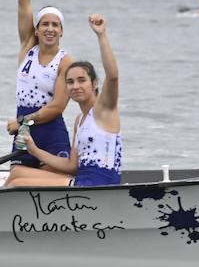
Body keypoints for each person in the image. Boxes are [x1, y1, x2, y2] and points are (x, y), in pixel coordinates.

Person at [7, 15, 121, 187]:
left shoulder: (104, 110)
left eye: (82, 80)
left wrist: (101, 35)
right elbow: (71, 166)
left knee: (17, 184)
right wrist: (34, 150)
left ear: (95, 83)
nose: (75, 86)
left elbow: (112, 76)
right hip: (80, 181)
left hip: (98, 186)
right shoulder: (79, 121)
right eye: (70, 82)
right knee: (17, 174)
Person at [4, 0, 73, 168]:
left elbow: (57, 107)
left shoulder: (65, 61)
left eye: (55, 25)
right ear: (37, 29)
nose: (50, 29)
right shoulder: (28, 48)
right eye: (45, 24)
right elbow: (24, 2)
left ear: (61, 31)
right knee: (16, 185)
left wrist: (21, 121)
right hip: (23, 135)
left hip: (51, 136)